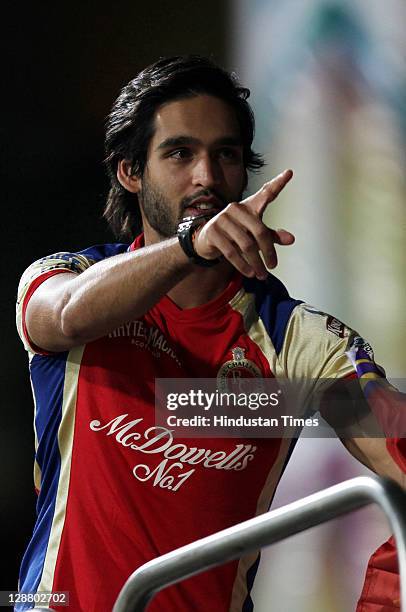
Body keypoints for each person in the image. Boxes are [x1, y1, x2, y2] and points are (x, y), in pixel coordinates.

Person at [16, 55, 404, 612]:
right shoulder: (66, 278)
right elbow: (66, 317)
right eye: (180, 153)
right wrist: (187, 247)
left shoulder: (302, 342)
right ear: (130, 172)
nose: (207, 177)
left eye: (226, 155)